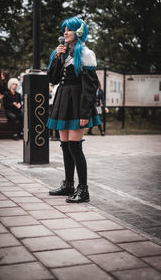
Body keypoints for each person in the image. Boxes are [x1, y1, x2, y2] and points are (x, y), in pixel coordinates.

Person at [47, 16, 101, 203]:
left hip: (77, 102)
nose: (65, 33)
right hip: (63, 100)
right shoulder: (62, 52)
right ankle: (68, 184)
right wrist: (57, 57)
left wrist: (85, 113)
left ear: (79, 32)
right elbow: (53, 79)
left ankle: (83, 189)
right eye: (64, 30)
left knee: (74, 147)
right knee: (65, 146)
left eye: (69, 29)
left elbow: (90, 87)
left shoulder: (86, 53)